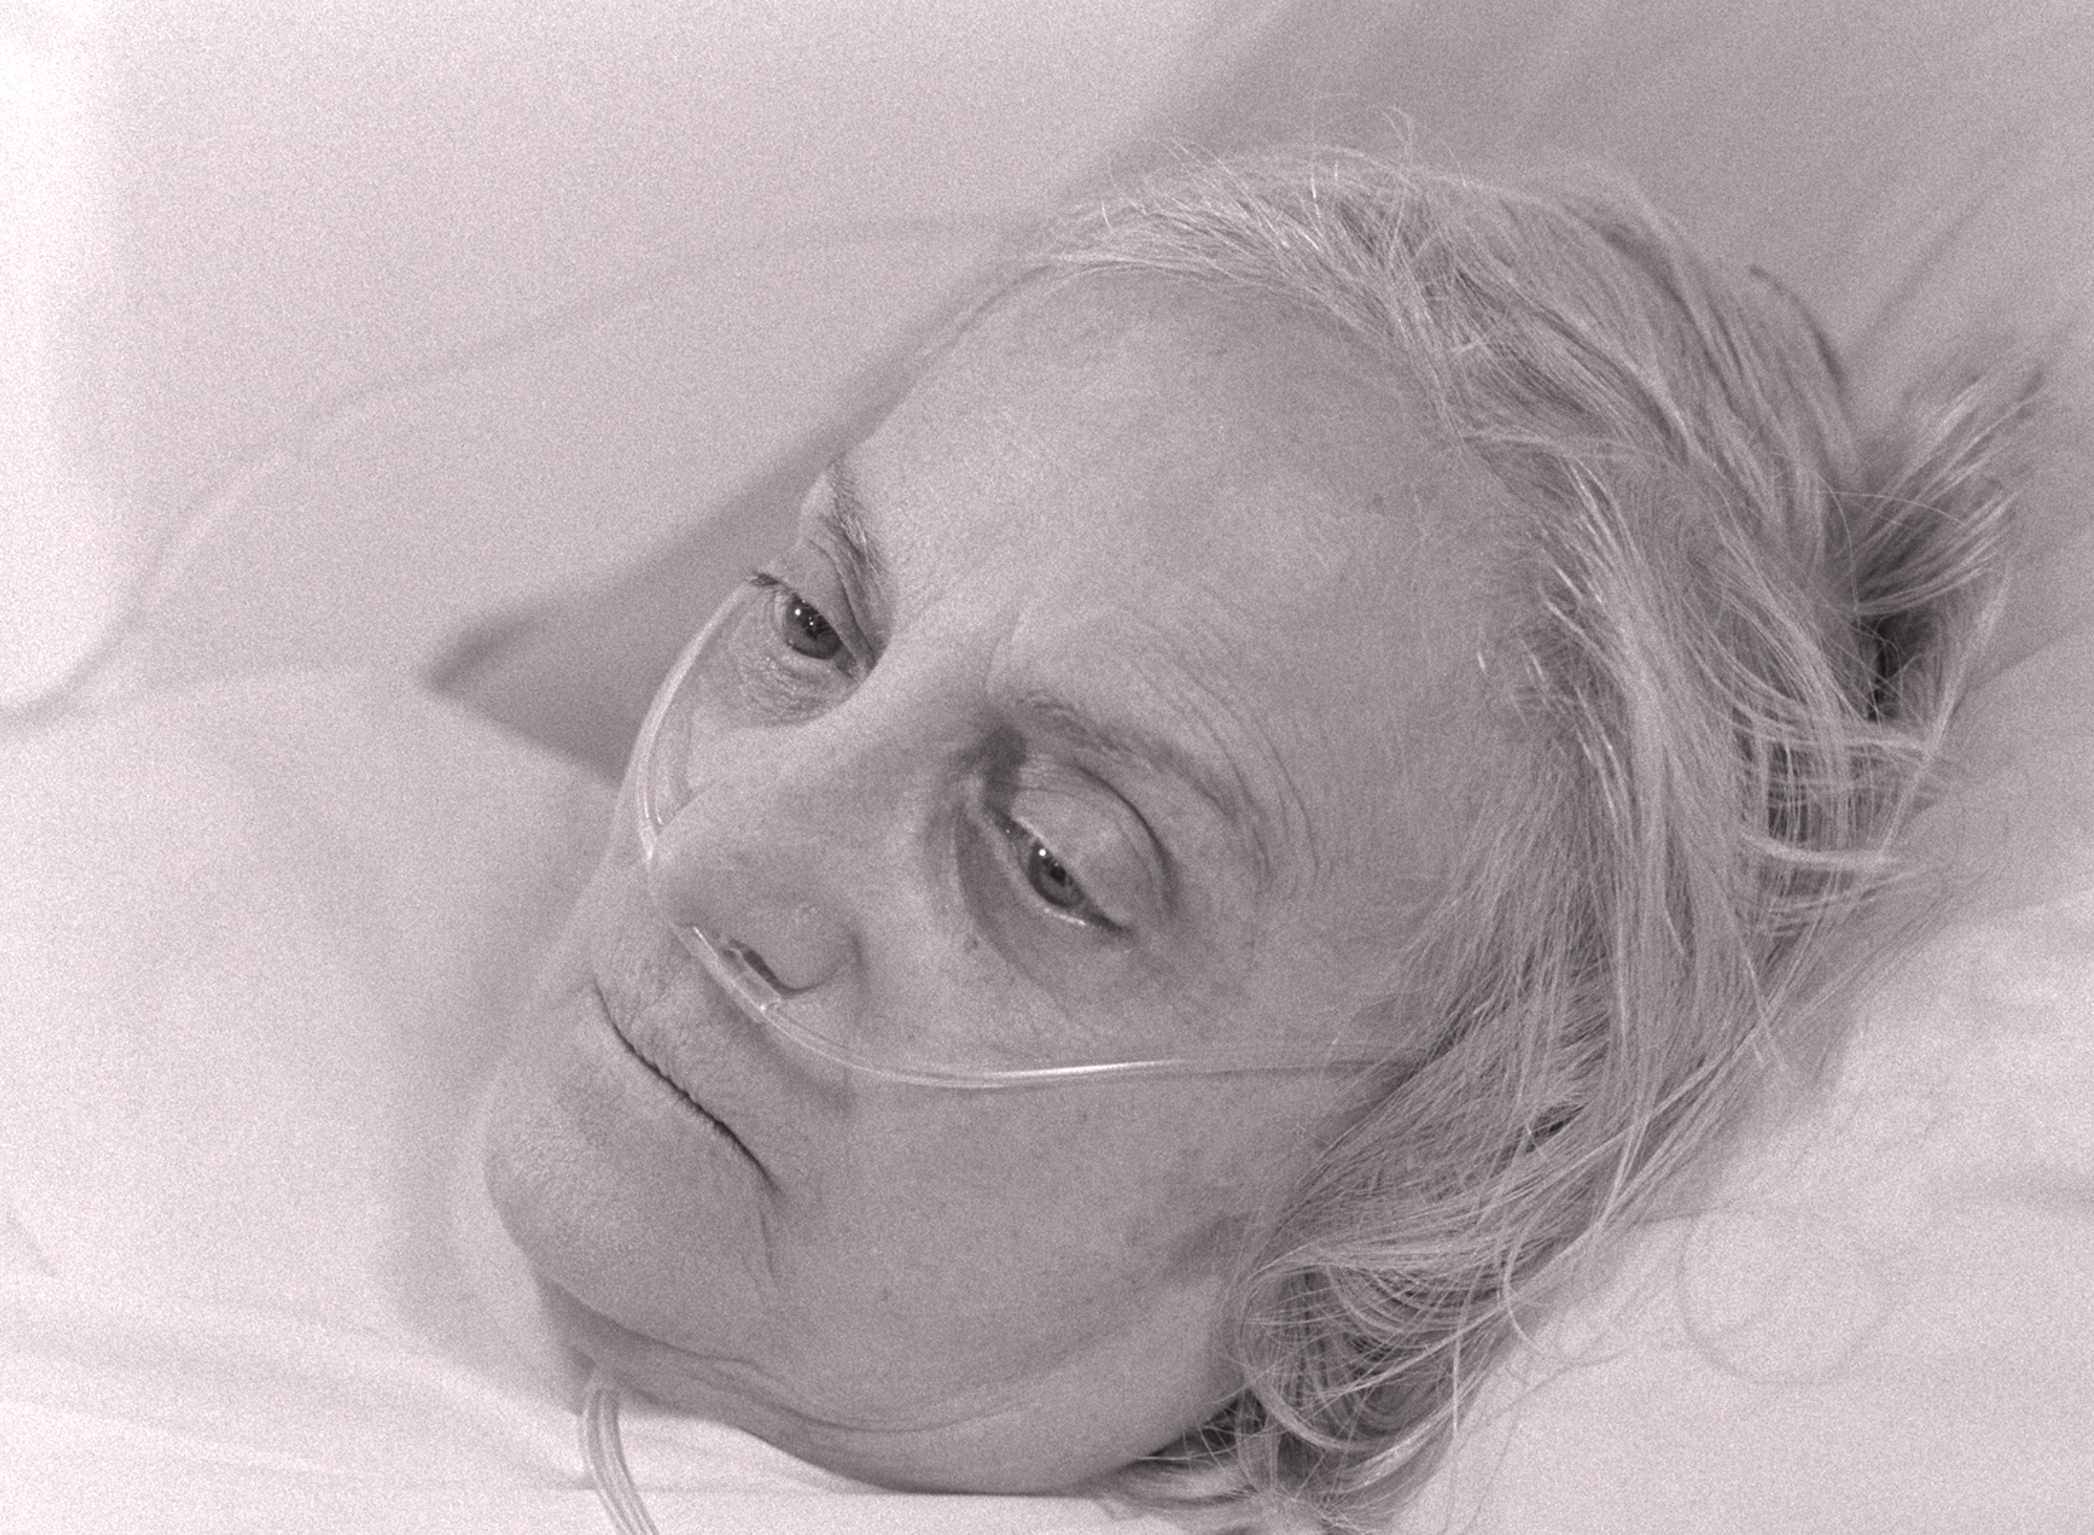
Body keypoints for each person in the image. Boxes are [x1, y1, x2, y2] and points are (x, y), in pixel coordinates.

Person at [441, 148, 2032, 1532]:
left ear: (1431, 1196)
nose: (710, 853)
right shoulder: (349, 859)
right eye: (811, 625)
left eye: (1055, 860)